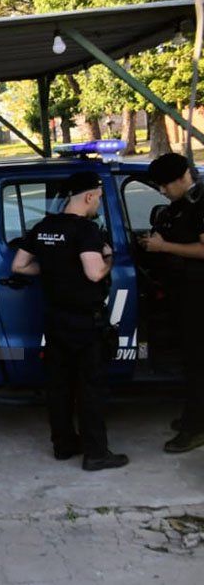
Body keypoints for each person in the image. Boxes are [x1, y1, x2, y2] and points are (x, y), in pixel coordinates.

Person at [12, 171, 129, 471]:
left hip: (55, 319)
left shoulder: (43, 228)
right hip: (85, 323)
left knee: (59, 386)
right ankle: (96, 454)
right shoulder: (86, 230)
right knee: (89, 388)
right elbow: (94, 273)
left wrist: (53, 270)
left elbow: (20, 265)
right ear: (89, 196)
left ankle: (64, 445)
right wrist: (109, 258)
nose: (98, 205)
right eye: (99, 199)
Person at [141, 152, 204, 453]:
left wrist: (164, 246)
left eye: (165, 185)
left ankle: (195, 429)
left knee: (197, 364)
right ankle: (194, 417)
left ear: (182, 178)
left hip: (199, 297)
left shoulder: (202, 202)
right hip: (182, 295)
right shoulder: (181, 205)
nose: (162, 192)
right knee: (189, 360)